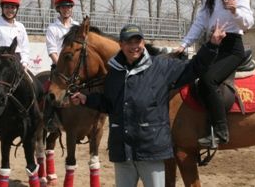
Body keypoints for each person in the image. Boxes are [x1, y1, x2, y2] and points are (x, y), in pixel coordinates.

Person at [69, 22, 226, 187]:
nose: (134, 46)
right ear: (121, 45)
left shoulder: (161, 66)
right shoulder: (114, 72)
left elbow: (194, 68)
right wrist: (87, 99)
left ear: (143, 43)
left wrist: (212, 45)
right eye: (129, 42)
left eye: (137, 41)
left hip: (151, 151)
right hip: (122, 152)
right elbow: (110, 104)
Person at [175, 0, 254, 148]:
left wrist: (235, 10)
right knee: (191, 74)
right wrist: (184, 45)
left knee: (208, 81)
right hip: (212, 45)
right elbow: (200, 23)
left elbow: (248, 23)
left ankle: (220, 131)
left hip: (232, 47)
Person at [0, 0, 30, 68]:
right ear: (2, 8)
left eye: (13, 7)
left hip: (18, 62)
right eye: (6, 7)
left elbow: (25, 47)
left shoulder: (21, 26)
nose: (10, 10)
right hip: (1, 62)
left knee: (32, 80)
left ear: (17, 9)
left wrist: (24, 62)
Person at [46, 0, 79, 65]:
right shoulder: (52, 28)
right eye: (63, 7)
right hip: (59, 67)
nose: (66, 10)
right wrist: (61, 67)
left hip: (75, 67)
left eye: (69, 7)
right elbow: (52, 51)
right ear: (58, 9)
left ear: (71, 8)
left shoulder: (77, 26)